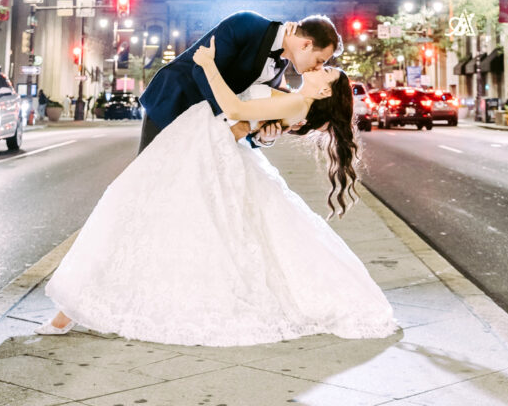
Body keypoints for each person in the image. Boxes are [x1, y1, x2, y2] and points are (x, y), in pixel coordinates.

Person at [38, 30, 397, 345]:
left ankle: (75, 309)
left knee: (138, 214)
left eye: (326, 71)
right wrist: (261, 129)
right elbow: (248, 121)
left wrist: (209, 64)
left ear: (324, 93)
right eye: (322, 62)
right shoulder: (289, 91)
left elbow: (235, 107)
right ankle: (74, 308)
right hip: (198, 140)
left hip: (202, 146)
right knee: (141, 215)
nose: (319, 68)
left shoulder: (298, 101)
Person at [137, 11, 339, 153]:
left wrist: (263, 138)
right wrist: (233, 123)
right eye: (320, 60)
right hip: (172, 101)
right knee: (151, 178)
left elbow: (250, 110)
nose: (317, 67)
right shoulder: (246, 23)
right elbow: (201, 68)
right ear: (306, 44)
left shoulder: (279, 69)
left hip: (205, 129)